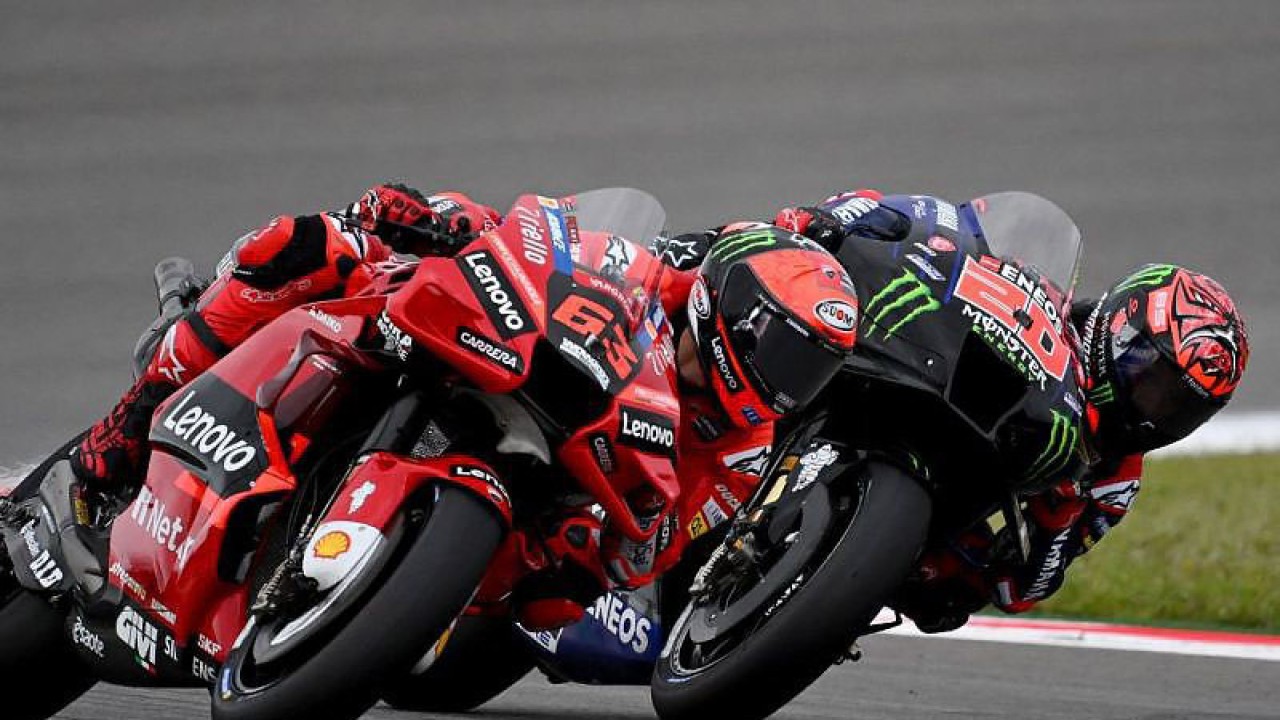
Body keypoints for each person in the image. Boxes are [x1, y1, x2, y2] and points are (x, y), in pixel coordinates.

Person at [68, 184, 861, 631]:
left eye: (812, 371)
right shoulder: (661, 274)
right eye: (786, 351)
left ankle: (361, 597)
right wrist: (446, 222)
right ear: (735, 308)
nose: (787, 384)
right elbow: (545, 241)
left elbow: (645, 551)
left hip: (533, 493)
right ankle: (121, 432)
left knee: (549, 598)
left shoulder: (744, 450)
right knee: (308, 245)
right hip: (488, 352)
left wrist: (596, 549)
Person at [772, 189, 1251, 632]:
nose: (1156, 412)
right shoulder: (1042, 292)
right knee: (792, 293)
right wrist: (845, 221)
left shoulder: (1115, 480)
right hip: (910, 371)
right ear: (1121, 331)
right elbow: (933, 220)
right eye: (1157, 385)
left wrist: (1059, 516)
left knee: (949, 599)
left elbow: (1021, 592)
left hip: (939, 506)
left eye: (1180, 410)